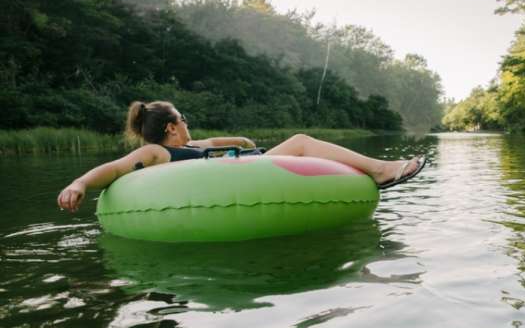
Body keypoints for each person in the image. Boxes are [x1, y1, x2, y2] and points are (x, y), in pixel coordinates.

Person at [57, 100, 426, 213]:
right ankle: (381, 170)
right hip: (235, 179)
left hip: (248, 164)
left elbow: (224, 139)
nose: (188, 124)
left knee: (302, 144)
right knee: (300, 139)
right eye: (183, 119)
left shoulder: (194, 145)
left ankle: (374, 171)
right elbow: (117, 167)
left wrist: (244, 141)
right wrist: (80, 182)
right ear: (171, 127)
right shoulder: (155, 152)